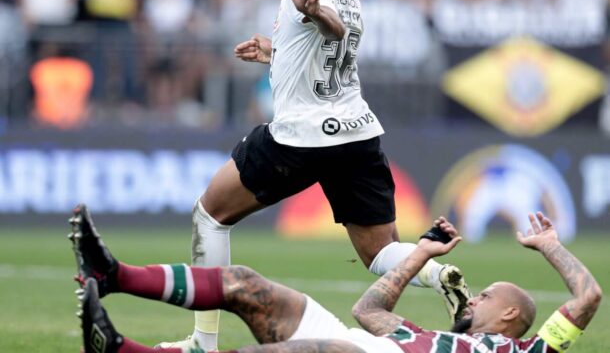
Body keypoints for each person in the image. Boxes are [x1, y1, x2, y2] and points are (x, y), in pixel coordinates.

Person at [176, 0, 471, 348]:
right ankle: (437, 274)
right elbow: (328, 45)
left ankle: (203, 342)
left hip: (302, 136)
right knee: (380, 252)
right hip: (356, 134)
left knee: (210, 216)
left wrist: (315, 11)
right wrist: (276, 51)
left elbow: (332, 28)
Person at [70, 206, 602, 353]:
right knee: (244, 282)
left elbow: (589, 295)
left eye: (485, 296)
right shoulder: (427, 336)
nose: (472, 296)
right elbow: (367, 312)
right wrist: (419, 253)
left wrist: (550, 246)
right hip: (353, 341)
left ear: (510, 315)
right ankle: (112, 275)